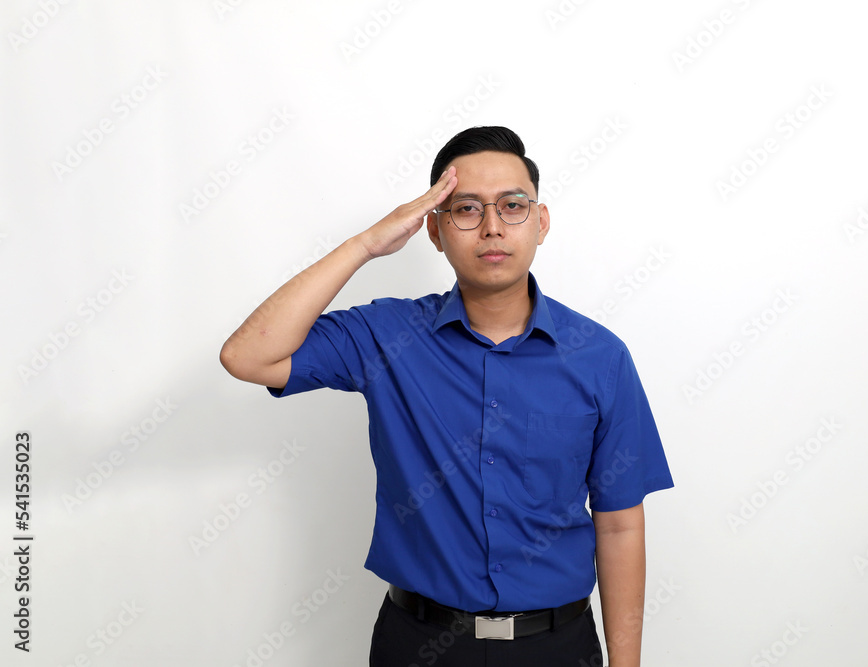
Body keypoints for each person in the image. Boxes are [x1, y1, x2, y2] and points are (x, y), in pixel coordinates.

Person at [220, 126, 673, 667]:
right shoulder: (387, 337)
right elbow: (247, 356)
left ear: (541, 222)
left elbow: (619, 524)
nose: (492, 227)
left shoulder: (599, 356)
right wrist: (365, 245)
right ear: (434, 229)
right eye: (466, 209)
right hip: (418, 645)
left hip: (558, 647)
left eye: (512, 206)